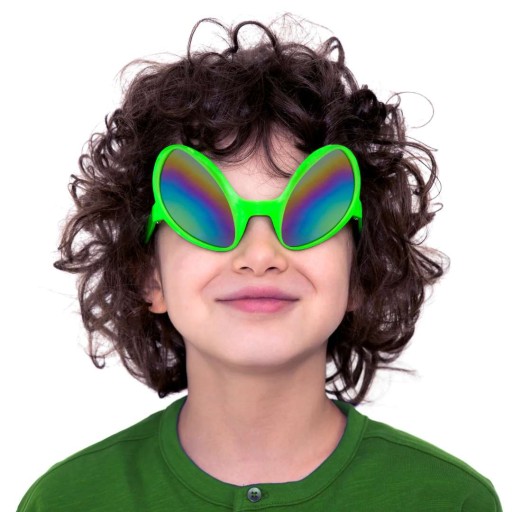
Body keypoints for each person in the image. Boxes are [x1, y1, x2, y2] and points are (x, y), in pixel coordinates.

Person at [17, 14, 502, 511]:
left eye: (310, 212)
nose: (260, 257)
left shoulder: (450, 500)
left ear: (359, 273)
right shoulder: (66, 501)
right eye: (205, 213)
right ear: (149, 276)